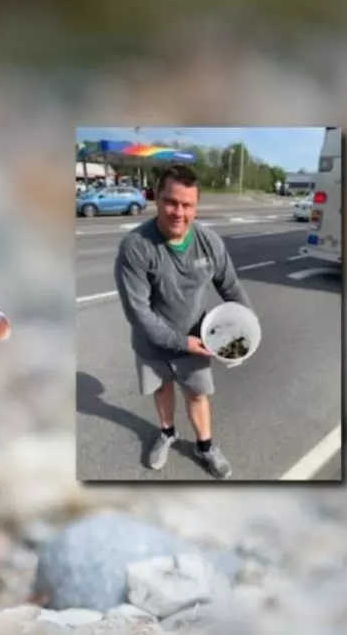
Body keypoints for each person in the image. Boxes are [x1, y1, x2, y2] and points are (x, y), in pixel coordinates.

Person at [113, 165, 253, 479]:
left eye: (187, 205)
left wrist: (247, 325)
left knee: (197, 394)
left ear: (196, 206)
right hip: (151, 340)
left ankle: (205, 447)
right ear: (155, 199)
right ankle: (166, 433)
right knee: (162, 388)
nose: (179, 212)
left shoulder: (210, 243)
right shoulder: (136, 247)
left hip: (196, 337)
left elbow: (230, 286)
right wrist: (179, 342)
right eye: (171, 202)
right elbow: (138, 312)